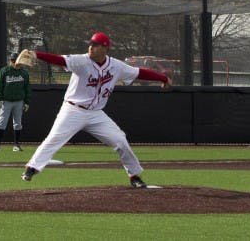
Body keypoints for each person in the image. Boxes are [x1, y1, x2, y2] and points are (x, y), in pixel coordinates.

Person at [18, 32, 172, 188]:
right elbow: (59, 60)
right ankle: (31, 168)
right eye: (90, 43)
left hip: (96, 114)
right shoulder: (81, 61)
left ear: (105, 48)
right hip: (73, 110)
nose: (91, 47)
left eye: (95, 44)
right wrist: (36, 54)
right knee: (54, 139)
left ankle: (134, 176)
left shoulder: (116, 66)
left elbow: (140, 73)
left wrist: (163, 78)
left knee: (120, 140)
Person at [0, 51, 31, 152]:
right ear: (11, 61)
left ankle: (16, 145)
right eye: (13, 60)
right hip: (6, 101)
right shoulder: (4, 71)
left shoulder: (24, 73)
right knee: (2, 122)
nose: (14, 62)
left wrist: (27, 102)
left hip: (19, 101)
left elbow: (27, 88)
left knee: (17, 123)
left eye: (16, 60)